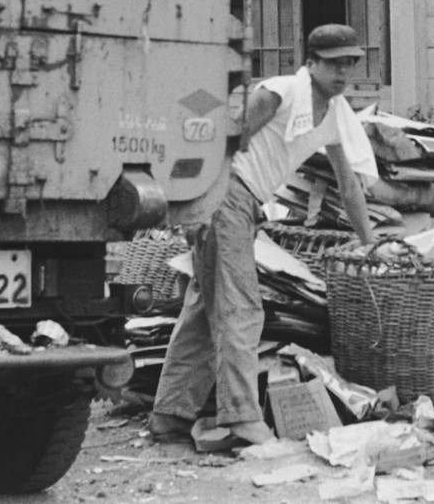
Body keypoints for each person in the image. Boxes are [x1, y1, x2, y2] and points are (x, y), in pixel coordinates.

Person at [147, 24, 378, 448]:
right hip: (225, 194)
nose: (343, 72)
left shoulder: (334, 114)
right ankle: (241, 417)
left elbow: (350, 188)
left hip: (245, 206)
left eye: (349, 63)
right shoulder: (282, 91)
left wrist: (370, 244)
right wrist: (194, 205)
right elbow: (223, 141)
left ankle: (170, 414)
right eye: (334, 63)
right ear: (311, 63)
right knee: (242, 308)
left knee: (204, 309)